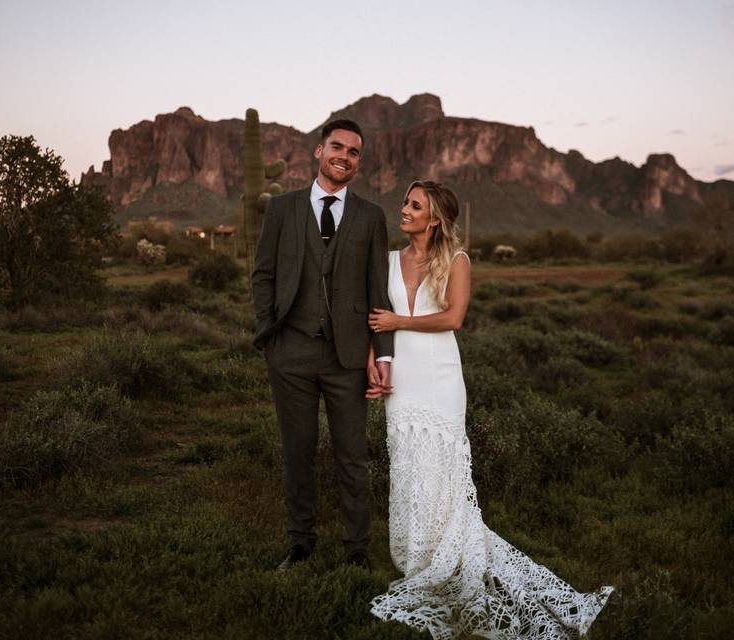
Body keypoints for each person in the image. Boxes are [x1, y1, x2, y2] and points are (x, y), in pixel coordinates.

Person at [366, 181, 612, 639]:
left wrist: (401, 321)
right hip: (402, 379)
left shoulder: (457, 261)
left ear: (434, 219)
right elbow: (374, 324)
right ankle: (414, 555)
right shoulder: (386, 262)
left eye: (414, 205)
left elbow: (453, 319)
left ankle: (446, 554)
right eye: (405, 201)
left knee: (440, 467)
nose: (404, 210)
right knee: (408, 464)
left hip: (439, 378)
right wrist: (375, 367)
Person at [251, 119, 394, 571]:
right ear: (318, 151)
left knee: (352, 456)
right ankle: (300, 543)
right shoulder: (282, 208)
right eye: (338, 147)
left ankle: (356, 550)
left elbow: (378, 291)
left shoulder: (371, 217)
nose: (345, 157)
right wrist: (268, 332)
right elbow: (263, 274)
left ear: (358, 163)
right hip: (290, 352)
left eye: (354, 152)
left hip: (346, 356)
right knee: (298, 452)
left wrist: (382, 352)